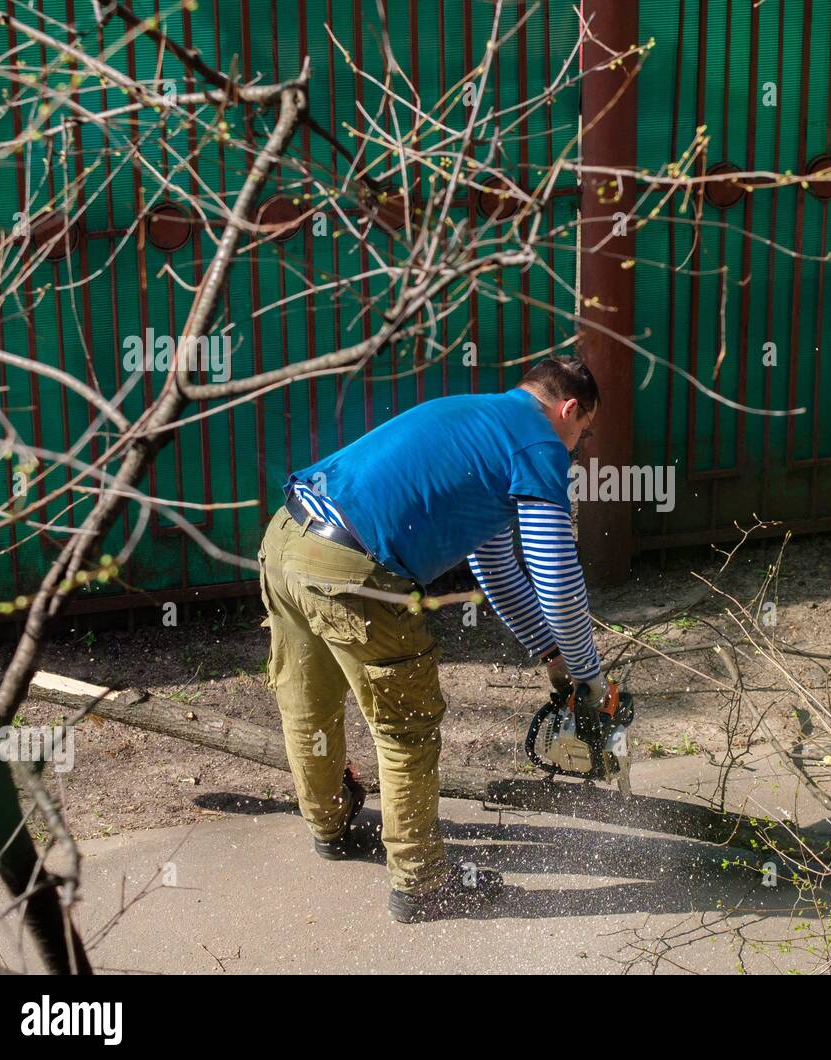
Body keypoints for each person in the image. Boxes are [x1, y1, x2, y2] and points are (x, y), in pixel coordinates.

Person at [257, 357, 605, 922]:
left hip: (287, 541)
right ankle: (422, 885)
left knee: (307, 702)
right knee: (406, 730)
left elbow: (496, 572)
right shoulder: (540, 445)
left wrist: (552, 654)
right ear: (569, 409)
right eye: (583, 432)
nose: (576, 446)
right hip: (356, 572)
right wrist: (590, 675)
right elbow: (558, 582)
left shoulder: (475, 417)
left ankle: (329, 825)